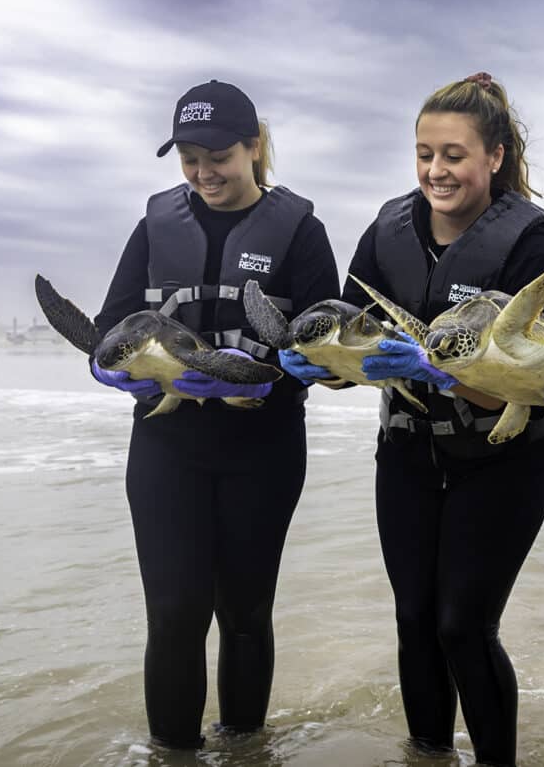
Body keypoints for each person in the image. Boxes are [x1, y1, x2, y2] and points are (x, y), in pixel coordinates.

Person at [281, 72, 544, 766]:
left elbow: (541, 384)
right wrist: (322, 365)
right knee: (414, 619)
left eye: (453, 154)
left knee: (462, 625)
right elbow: (347, 342)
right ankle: (427, 756)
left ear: (495, 157)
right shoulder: (386, 230)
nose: (435, 170)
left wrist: (446, 370)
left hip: (505, 454)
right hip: (409, 453)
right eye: (425, 153)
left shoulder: (530, 241)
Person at [92, 80, 340, 749]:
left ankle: (244, 749)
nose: (204, 171)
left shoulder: (301, 231)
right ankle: (173, 756)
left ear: (254, 147)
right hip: (167, 443)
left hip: (261, 448)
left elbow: (328, 335)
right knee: (174, 614)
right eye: (189, 158)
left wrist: (292, 374)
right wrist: (114, 367)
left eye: (219, 155)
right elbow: (110, 325)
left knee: (245, 614)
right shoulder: (154, 226)